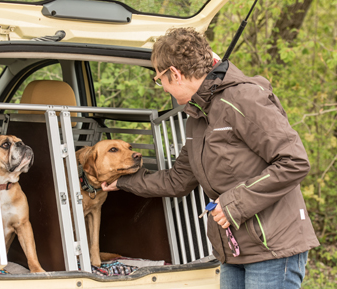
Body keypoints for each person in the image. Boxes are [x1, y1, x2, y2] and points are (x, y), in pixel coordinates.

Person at [101, 27, 320, 289]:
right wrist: (123, 182)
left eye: (161, 80)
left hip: (273, 249)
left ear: (176, 74)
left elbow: (294, 161)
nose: (163, 89)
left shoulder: (243, 98)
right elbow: (178, 179)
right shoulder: (198, 116)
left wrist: (232, 204)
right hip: (233, 252)